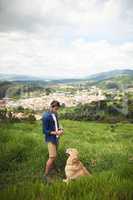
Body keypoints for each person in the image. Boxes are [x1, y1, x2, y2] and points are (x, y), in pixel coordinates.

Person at [42, 100, 64, 182]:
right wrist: (56, 132)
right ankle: (46, 175)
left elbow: (57, 123)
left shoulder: (55, 114)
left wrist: (61, 129)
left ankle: (53, 169)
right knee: (52, 156)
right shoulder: (46, 116)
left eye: (58, 109)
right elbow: (45, 131)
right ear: (51, 107)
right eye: (56, 109)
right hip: (50, 139)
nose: (56, 111)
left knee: (54, 155)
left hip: (56, 138)